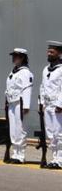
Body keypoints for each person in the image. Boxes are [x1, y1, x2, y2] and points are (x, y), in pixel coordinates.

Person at [5, 47, 33, 164]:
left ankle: (20, 155)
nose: (14, 58)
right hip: (11, 103)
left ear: (22, 58)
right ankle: (15, 153)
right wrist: (6, 101)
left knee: (20, 129)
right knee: (13, 130)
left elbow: (27, 89)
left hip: (20, 103)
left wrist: (26, 106)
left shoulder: (26, 72)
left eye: (16, 56)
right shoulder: (14, 71)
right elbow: (8, 88)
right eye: (13, 56)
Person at [40, 40, 62, 168]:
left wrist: (60, 104)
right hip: (47, 106)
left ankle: (60, 159)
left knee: (59, 133)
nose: (49, 53)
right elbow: (42, 86)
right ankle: (54, 158)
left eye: (52, 52)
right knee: (51, 133)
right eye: (48, 51)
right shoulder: (46, 69)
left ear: (59, 53)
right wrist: (41, 102)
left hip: (57, 106)